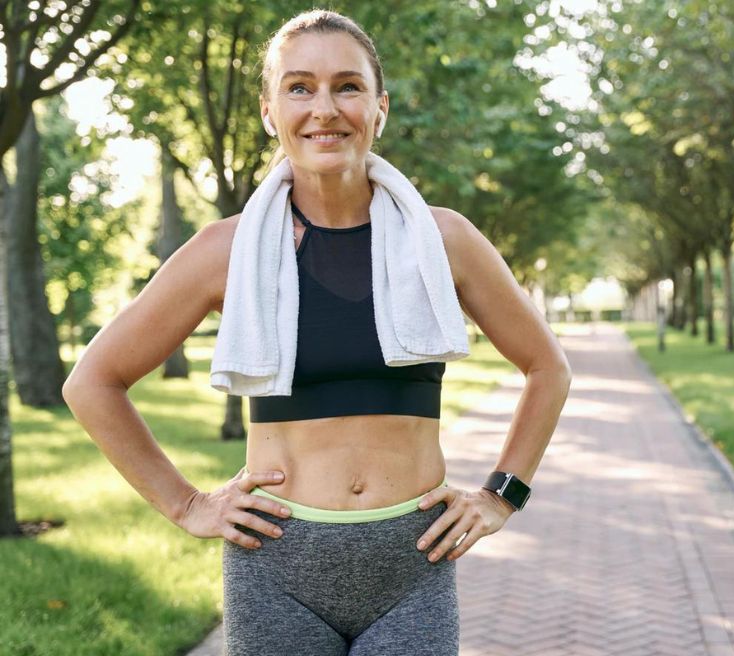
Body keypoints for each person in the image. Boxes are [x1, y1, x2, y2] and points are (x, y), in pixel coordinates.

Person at [61, 9, 572, 656]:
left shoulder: (444, 241)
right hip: (278, 567)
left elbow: (547, 369)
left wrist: (503, 495)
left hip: (411, 563)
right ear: (271, 112)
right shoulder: (226, 251)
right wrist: (187, 506)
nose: (324, 108)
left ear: (379, 107)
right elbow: (93, 383)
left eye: (347, 87)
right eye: (299, 87)